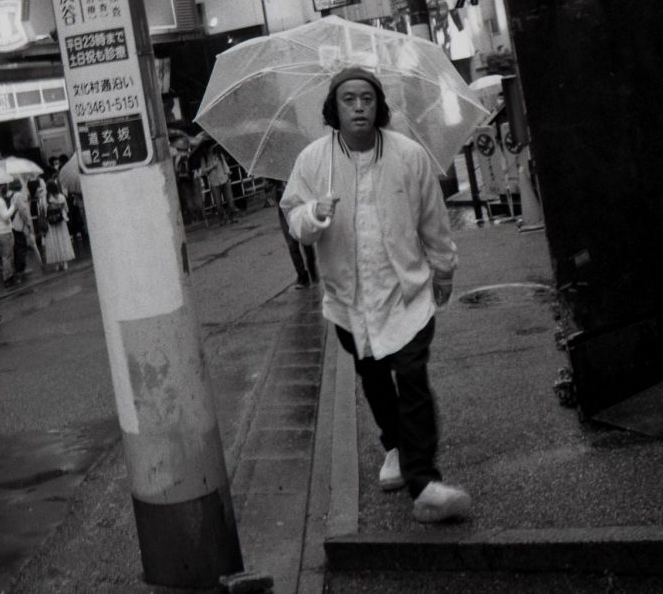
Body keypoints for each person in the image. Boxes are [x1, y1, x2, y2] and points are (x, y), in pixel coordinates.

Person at [280, 66, 471, 524]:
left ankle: (424, 483)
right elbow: (293, 220)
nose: (359, 106)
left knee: (411, 377)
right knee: (372, 375)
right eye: (349, 99)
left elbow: (433, 220)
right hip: (348, 301)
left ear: (379, 106)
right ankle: (394, 446)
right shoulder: (314, 161)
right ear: (334, 108)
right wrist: (313, 213)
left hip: (405, 291)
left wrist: (443, 270)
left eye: (367, 98)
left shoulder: (408, 156)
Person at [272, 179, 316, 289]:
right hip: (284, 207)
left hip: (299, 202)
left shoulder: (296, 165)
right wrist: (273, 186)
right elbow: (267, 187)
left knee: (304, 237)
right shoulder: (273, 168)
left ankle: (312, 270)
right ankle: (302, 275)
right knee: (291, 243)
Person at [40, 179, 75, 271]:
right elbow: (66, 209)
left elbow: (42, 212)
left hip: (50, 223)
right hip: (61, 222)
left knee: (53, 242)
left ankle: (57, 264)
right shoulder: (61, 197)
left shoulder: (44, 198)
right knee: (62, 241)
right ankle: (65, 262)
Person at [200, 145, 237, 224]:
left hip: (224, 178)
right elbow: (203, 171)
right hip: (214, 182)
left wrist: (228, 173)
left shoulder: (219, 154)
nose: (211, 149)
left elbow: (224, 164)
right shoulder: (204, 158)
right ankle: (222, 218)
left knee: (230, 199)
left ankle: (232, 217)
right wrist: (212, 167)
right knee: (218, 202)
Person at [8, 179, 35, 281]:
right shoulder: (18, 196)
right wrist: (28, 224)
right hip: (18, 225)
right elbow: (24, 212)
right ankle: (20, 270)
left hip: (13, 224)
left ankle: (18, 269)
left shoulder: (11, 195)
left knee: (17, 247)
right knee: (21, 247)